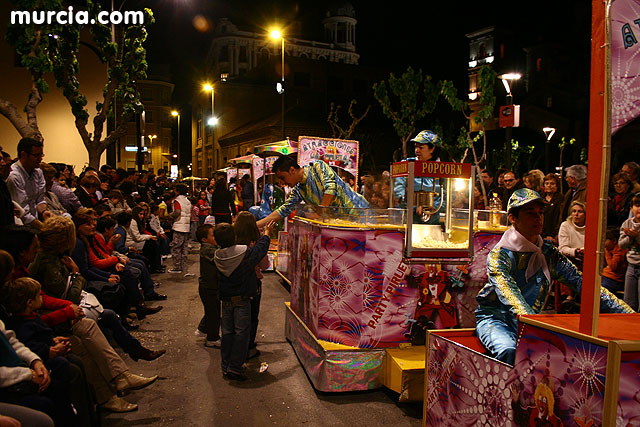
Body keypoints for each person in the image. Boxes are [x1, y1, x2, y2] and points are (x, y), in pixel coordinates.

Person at [475, 188, 633, 365]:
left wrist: (630, 316)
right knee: (510, 350)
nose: (538, 218)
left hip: (530, 322)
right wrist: (535, 327)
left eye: (540, 213)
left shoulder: (548, 253)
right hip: (498, 319)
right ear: (513, 218)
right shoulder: (500, 256)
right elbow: (509, 294)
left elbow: (584, 285)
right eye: (530, 213)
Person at [214, 221, 273, 381]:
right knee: (242, 333)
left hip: (225, 300)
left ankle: (225, 365)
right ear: (234, 236)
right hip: (242, 299)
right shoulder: (244, 253)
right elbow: (259, 252)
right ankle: (235, 367)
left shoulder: (218, 255)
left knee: (227, 333)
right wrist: (267, 234)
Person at [256, 156, 370, 228]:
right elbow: (283, 210)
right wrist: (256, 225)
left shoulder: (317, 166)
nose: (282, 182)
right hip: (344, 224)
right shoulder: (299, 190)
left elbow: (331, 188)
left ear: (292, 170)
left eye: (282, 177)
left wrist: (320, 213)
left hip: (362, 215)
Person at [234, 211, 271, 359]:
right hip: (252, 285)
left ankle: (235, 348)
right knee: (252, 317)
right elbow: (264, 265)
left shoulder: (230, 241)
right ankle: (248, 347)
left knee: (233, 318)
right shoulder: (257, 243)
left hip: (231, 284)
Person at [392, 130, 443, 225]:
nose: (417, 150)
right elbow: (399, 191)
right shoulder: (407, 164)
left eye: (421, 147)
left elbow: (447, 196)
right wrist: (414, 206)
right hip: (407, 220)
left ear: (432, 149)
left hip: (432, 222)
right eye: (416, 147)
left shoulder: (442, 169)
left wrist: (431, 207)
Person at [6, 137, 49, 230]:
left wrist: (44, 212)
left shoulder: (38, 172)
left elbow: (40, 199)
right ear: (23, 155)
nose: (40, 159)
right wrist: (44, 229)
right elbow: (22, 212)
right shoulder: (14, 177)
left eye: (41, 155)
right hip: (21, 227)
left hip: (35, 222)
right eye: (36, 155)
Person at [195, 224, 221, 347]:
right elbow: (221, 256)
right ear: (204, 239)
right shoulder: (208, 249)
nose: (215, 237)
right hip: (208, 288)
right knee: (213, 314)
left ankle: (202, 329)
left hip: (210, 287)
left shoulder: (210, 247)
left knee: (212, 311)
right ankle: (212, 338)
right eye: (212, 235)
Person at [620, 194, 640, 311]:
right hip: (631, 267)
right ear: (631, 208)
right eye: (637, 205)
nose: (639, 209)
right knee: (629, 303)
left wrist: (637, 236)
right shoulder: (627, 223)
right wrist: (630, 238)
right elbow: (621, 244)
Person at [168, 183, 192, 274]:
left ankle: (177, 267)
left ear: (177, 191)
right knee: (184, 248)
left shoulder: (177, 201)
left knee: (177, 248)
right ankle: (184, 266)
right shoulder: (187, 201)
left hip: (179, 226)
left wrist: (169, 216)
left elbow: (177, 212)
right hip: (186, 226)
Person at [558, 201, 586, 270]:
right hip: (571, 262)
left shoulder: (590, 226)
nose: (576, 214)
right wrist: (575, 251)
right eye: (574, 211)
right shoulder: (565, 225)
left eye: (580, 211)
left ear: (585, 215)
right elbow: (562, 248)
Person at [602, 227, 627, 293]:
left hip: (614, 280)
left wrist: (606, 253)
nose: (603, 243)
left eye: (605, 240)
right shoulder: (610, 249)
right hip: (605, 275)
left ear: (614, 241)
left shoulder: (620, 250)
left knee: (601, 289)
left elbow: (613, 266)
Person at [540, 173, 564, 244]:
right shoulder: (540, 197)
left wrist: (554, 235)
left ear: (557, 185)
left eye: (552, 183)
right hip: (540, 234)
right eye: (547, 183)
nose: (549, 186)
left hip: (554, 234)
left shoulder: (561, 199)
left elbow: (560, 218)